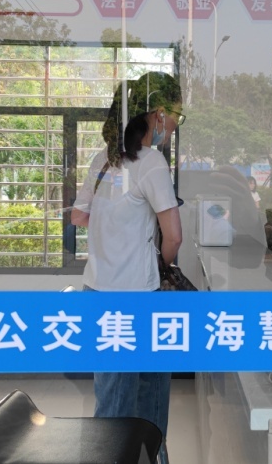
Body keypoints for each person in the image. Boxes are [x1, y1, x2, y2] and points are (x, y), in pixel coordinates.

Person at [70, 71, 183, 452]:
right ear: (158, 114)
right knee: (149, 392)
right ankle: (147, 457)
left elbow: (79, 216)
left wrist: (115, 225)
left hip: (97, 288)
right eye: (174, 118)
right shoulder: (151, 163)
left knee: (113, 398)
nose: (173, 127)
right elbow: (174, 237)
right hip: (136, 293)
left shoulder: (102, 159)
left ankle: (123, 456)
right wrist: (161, 264)